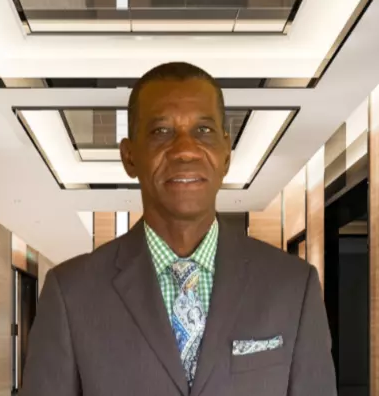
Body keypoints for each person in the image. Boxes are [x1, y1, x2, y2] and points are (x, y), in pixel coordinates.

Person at [20, 62, 337, 396]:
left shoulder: (293, 287)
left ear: (226, 155)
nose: (185, 150)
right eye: (161, 131)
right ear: (129, 157)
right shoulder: (71, 294)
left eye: (203, 130)